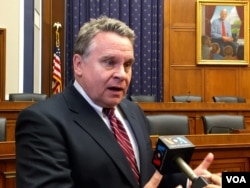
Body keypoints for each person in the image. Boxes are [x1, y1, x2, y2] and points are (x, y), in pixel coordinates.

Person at [15, 16, 221, 188]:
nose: (122, 75)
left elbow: (148, 176)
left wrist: (194, 180)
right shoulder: (42, 122)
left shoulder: (133, 111)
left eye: (128, 64)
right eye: (109, 62)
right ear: (78, 65)